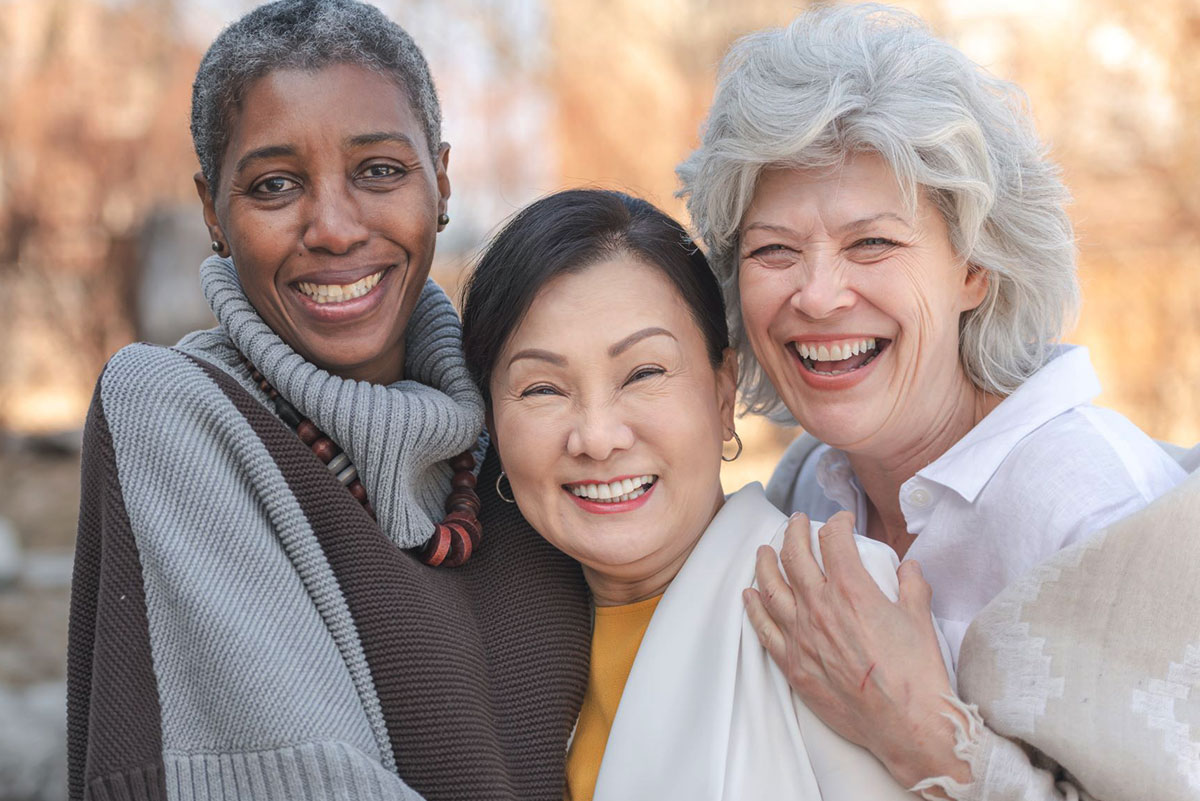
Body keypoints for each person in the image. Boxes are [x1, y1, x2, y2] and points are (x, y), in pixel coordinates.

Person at [66, 2, 590, 800]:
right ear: (214, 211)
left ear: (442, 182)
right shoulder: (175, 409)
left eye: (379, 170)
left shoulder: (524, 429)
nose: (336, 229)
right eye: (276, 185)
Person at [675, 4, 1188, 798]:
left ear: (974, 267)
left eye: (871, 242)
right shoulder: (808, 488)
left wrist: (922, 735)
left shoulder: (1092, 508)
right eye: (774, 249)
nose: (816, 294)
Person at [460, 188, 953, 801]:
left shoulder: (833, 602)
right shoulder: (485, 647)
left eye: (643, 374)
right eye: (541, 389)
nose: (597, 437)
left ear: (724, 395)